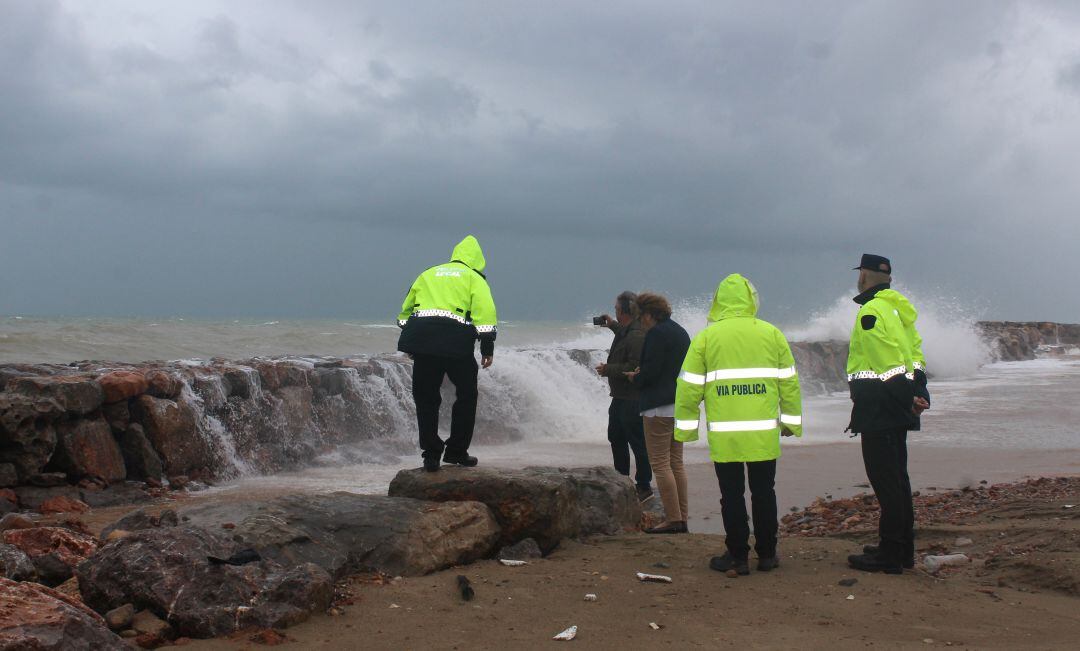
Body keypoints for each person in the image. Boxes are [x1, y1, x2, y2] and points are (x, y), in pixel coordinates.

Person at [674, 274, 802, 574]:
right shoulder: (772, 333)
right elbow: (789, 384)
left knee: (731, 495)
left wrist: (686, 429)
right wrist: (790, 422)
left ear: (719, 301)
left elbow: (688, 386)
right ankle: (768, 554)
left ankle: (737, 557)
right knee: (764, 492)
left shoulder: (707, 337)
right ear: (752, 299)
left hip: (726, 434)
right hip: (763, 433)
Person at [843, 254, 929, 574]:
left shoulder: (871, 311)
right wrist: (919, 393)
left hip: (881, 408)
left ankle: (891, 554)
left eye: (859, 274)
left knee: (886, 483)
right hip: (897, 405)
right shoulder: (896, 309)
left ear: (864, 276)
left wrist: (907, 399)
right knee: (898, 480)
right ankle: (901, 548)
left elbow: (887, 362)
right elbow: (915, 356)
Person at [396, 235, 497, 472]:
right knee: (466, 396)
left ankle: (430, 455)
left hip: (423, 342)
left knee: (426, 398)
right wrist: (487, 349)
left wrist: (415, 343)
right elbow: (486, 314)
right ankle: (456, 451)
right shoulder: (474, 278)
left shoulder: (429, 273)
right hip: (456, 344)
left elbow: (405, 313)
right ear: (477, 260)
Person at [626, 292, 691, 534]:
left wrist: (636, 376)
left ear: (648, 314)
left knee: (661, 464)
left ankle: (673, 519)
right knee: (676, 462)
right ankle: (682, 516)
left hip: (658, 406)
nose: (640, 321)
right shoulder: (680, 331)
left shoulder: (656, 334)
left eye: (640, 316)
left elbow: (651, 374)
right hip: (680, 403)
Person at [595, 292, 653, 502]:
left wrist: (609, 369)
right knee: (616, 437)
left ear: (625, 311)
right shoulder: (630, 329)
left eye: (617, 309)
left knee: (637, 442)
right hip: (621, 396)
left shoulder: (637, 334)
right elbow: (624, 334)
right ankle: (621, 481)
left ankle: (644, 486)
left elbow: (634, 366)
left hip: (632, 398)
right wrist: (611, 325)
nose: (615, 312)